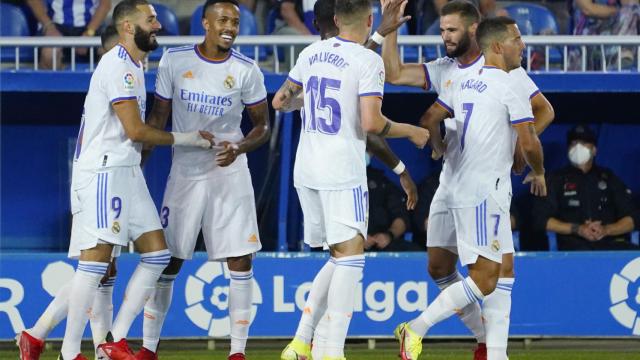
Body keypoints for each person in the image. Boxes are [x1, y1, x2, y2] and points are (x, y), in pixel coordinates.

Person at [382, 1, 554, 359]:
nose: (444, 36)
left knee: (499, 269)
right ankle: (444, 332)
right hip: (466, 185)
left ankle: (493, 351)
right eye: (442, 29)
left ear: (475, 31)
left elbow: (544, 111)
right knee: (452, 269)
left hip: (483, 184)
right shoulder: (455, 71)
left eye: (451, 30)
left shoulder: (491, 75)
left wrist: (519, 149)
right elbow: (396, 75)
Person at [45, 1, 212, 359]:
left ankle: (112, 339)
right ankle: (69, 352)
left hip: (125, 170)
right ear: (126, 27)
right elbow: (135, 130)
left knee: (156, 254)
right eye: (150, 20)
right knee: (96, 266)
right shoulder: (119, 65)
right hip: (105, 171)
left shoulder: (135, 65)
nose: (157, 25)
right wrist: (189, 139)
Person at [272, 1, 429, 358]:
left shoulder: (310, 53)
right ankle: (331, 350)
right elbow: (372, 124)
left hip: (307, 169)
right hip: (342, 169)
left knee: (340, 257)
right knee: (352, 258)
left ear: (337, 20)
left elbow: (281, 100)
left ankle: (301, 341)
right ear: (370, 19)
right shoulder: (368, 61)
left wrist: (305, 103)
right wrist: (413, 132)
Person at [135, 1, 271, 359]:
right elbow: (158, 117)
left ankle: (237, 352)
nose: (230, 27)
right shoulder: (175, 61)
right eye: (223, 20)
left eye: (236, 22)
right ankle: (149, 349)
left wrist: (239, 147)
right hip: (185, 171)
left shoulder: (247, 69)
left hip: (230, 171)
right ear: (205, 23)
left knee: (240, 259)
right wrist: (138, 163)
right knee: (169, 259)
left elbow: (263, 126)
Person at [16, 23, 121, 360]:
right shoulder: (111, 80)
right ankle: (80, 348)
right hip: (96, 183)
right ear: (110, 50)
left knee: (102, 271)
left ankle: (37, 335)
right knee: (96, 270)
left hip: (103, 181)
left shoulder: (116, 80)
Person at [533, 124, 639, 251]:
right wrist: (578, 229)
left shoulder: (608, 178)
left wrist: (606, 230)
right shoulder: (556, 180)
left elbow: (633, 217)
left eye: (584, 143)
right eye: (573, 143)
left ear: (594, 150)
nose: (578, 147)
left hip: (609, 245)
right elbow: (540, 219)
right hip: (573, 247)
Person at [25, 0, 112, 69]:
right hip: (55, 25)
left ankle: (100, 88)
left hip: (91, 25)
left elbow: (105, 4)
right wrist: (48, 26)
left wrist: (89, 33)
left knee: (111, 54)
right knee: (49, 55)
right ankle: (54, 89)